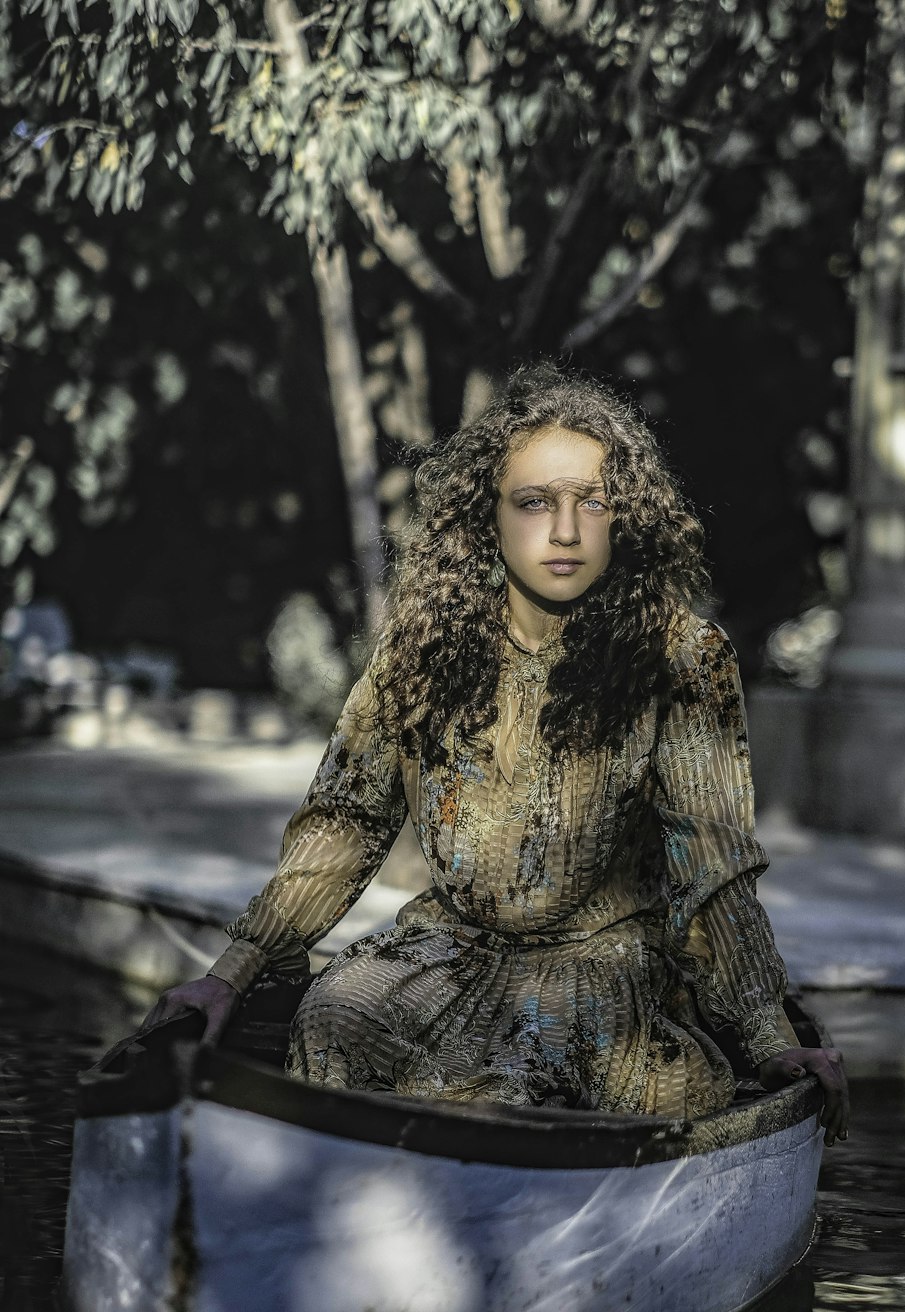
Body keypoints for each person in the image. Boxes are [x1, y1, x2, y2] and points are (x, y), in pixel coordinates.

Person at [144, 365, 849, 1144]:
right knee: (338, 1011)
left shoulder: (678, 655)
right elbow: (345, 821)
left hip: (608, 979)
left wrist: (767, 1036)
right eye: (536, 502)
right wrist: (231, 974)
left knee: (612, 1082)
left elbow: (711, 866)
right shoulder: (422, 649)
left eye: (594, 501)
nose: (567, 531)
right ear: (489, 515)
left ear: (626, 517)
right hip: (446, 956)